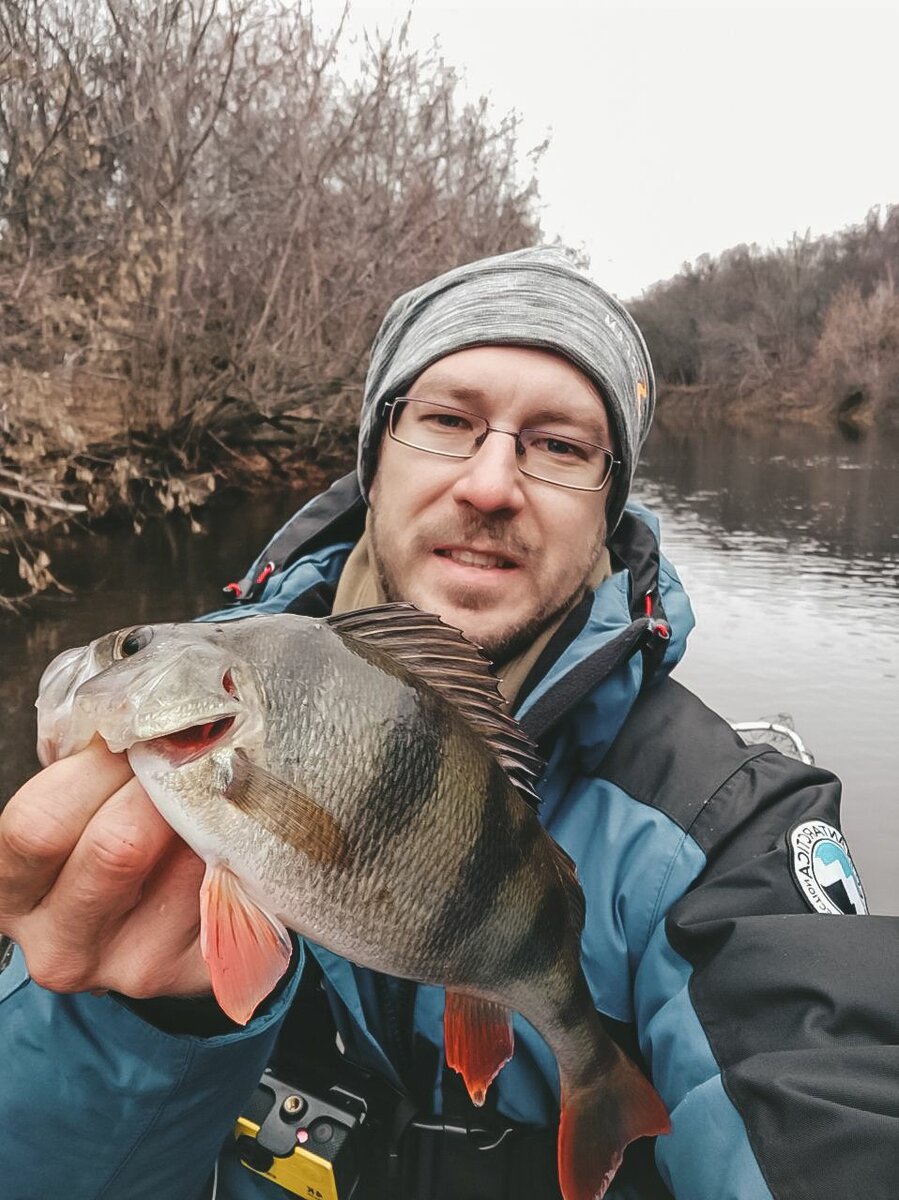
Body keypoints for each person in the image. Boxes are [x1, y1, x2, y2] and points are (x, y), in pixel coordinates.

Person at [0, 247, 897, 1200]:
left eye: (559, 445)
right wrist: (130, 1017)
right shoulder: (190, 748)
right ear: (371, 465)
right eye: (445, 420)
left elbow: (818, 1095)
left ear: (609, 508)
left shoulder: (731, 828)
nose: (489, 484)